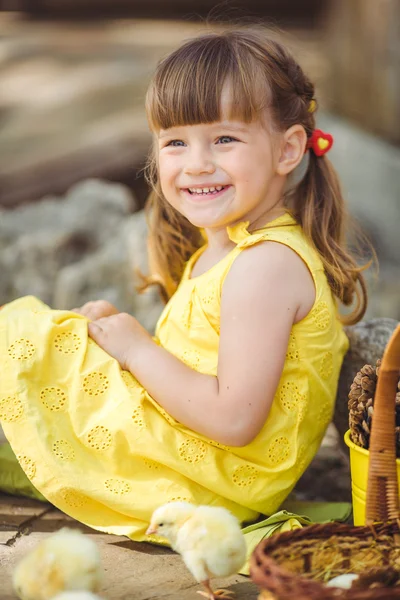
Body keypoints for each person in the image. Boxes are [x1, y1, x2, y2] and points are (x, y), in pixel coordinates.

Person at [0, 27, 369, 541]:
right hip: (198, 463)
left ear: (288, 150)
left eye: (224, 139)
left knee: (19, 341)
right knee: (48, 346)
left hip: (208, 482)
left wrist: (134, 350)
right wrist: (117, 342)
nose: (196, 163)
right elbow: (197, 370)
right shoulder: (230, 250)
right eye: (175, 142)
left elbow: (232, 418)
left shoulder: (266, 267)